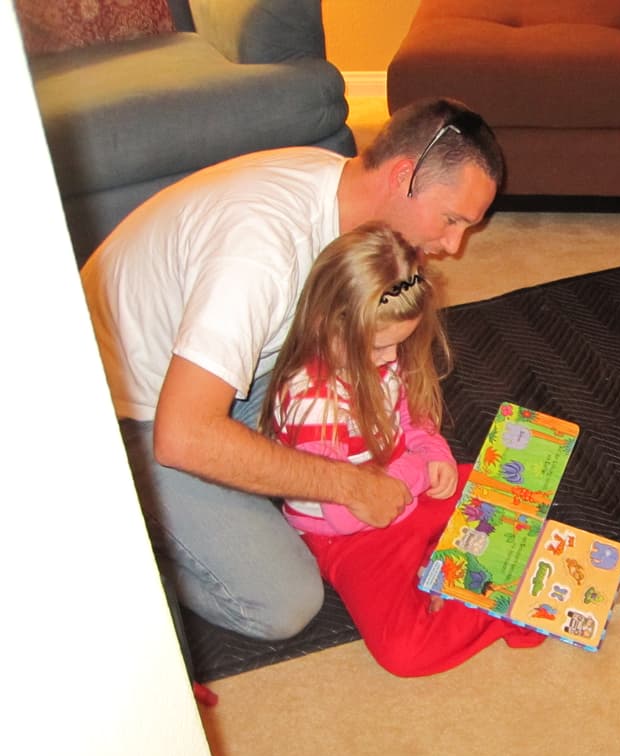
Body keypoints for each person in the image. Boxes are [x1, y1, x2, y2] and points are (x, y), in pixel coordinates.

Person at [80, 98, 504, 641]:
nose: (452, 246)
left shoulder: (344, 195)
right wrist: (346, 484)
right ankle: (124, 528)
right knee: (284, 602)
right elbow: (182, 435)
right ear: (404, 176)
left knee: (376, 416)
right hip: (130, 414)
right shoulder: (260, 254)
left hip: (237, 370)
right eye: (451, 221)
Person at [261, 222, 543, 676]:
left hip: (408, 492)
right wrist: (415, 470)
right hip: (352, 534)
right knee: (405, 653)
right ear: (327, 324)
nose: (391, 360)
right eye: (380, 347)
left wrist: (435, 454)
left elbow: (413, 417)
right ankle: (496, 602)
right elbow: (350, 512)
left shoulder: (380, 353)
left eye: (399, 343)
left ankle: (462, 570)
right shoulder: (314, 403)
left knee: (514, 477)